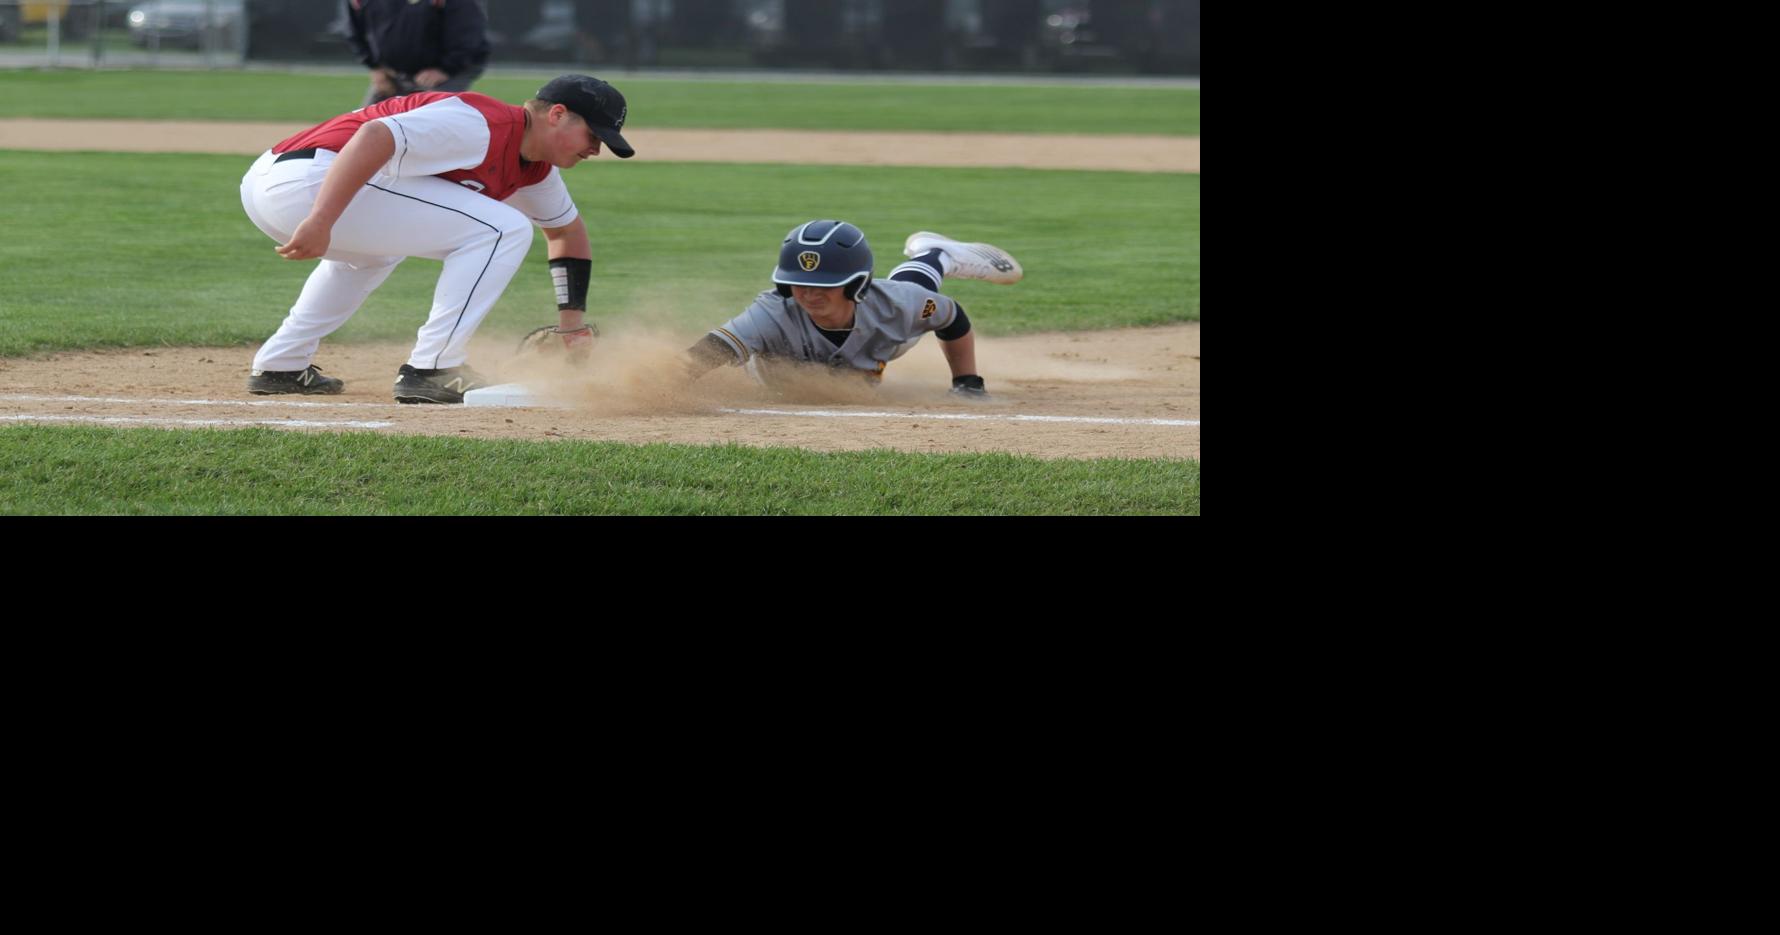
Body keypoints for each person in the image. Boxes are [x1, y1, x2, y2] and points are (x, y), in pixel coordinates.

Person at [240, 74, 635, 404]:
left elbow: (567, 232)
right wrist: (320, 219)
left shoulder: (537, 171)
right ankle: (432, 368)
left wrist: (572, 327)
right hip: (307, 183)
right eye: (592, 134)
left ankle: (282, 364)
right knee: (503, 229)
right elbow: (375, 136)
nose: (597, 148)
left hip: (287, 184)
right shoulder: (482, 123)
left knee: (374, 255)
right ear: (558, 114)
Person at [683, 221, 1022, 397]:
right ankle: (933, 253)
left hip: (883, 339)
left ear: (856, 283)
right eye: (799, 282)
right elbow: (711, 350)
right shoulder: (772, 313)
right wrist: (658, 384)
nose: (809, 294)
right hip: (875, 321)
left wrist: (967, 382)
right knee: (907, 293)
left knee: (912, 295)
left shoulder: (897, 308)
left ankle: (937, 254)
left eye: (823, 284)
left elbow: (953, 318)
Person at [346, 0, 492, 107]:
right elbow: (354, 31)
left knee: (431, 122)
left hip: (447, 72)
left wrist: (446, 69)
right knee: (361, 125)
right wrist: (375, 67)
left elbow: (468, 33)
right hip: (391, 73)